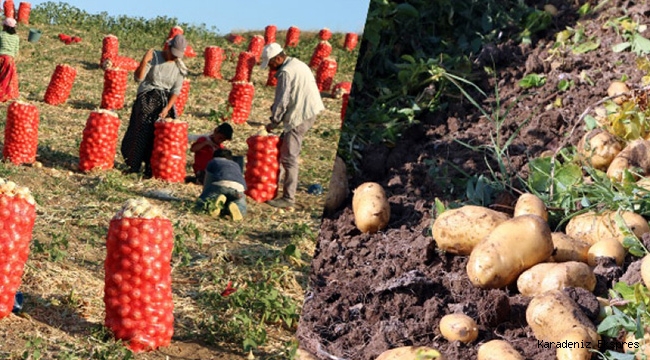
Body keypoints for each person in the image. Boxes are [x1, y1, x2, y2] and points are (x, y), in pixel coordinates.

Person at [260, 43, 325, 208]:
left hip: (301, 114)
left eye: (271, 64)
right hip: (310, 109)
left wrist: (274, 122)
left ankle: (288, 199)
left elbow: (282, 101)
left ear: (279, 58)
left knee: (289, 158)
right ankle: (275, 185)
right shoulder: (297, 63)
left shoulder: (286, 72)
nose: (270, 68)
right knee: (285, 147)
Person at [120, 34, 189, 178]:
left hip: (165, 102)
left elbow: (176, 91)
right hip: (147, 97)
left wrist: (167, 108)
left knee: (160, 136)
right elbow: (138, 78)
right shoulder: (155, 57)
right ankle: (133, 165)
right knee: (141, 131)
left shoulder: (179, 67)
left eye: (177, 56)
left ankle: (151, 169)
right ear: (168, 47)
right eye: (173, 54)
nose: (174, 58)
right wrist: (144, 61)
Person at [196, 149, 247, 221]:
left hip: (221, 185)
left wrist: (205, 194)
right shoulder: (236, 164)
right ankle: (237, 208)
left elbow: (208, 180)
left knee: (203, 202)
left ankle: (214, 205)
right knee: (240, 204)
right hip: (238, 188)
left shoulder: (213, 161)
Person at [0, 17, 19, 103]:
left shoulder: (1, 34)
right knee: (7, 78)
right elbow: (16, 50)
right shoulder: (16, 38)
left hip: (1, 57)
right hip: (10, 59)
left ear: (4, 26)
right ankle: (7, 94)